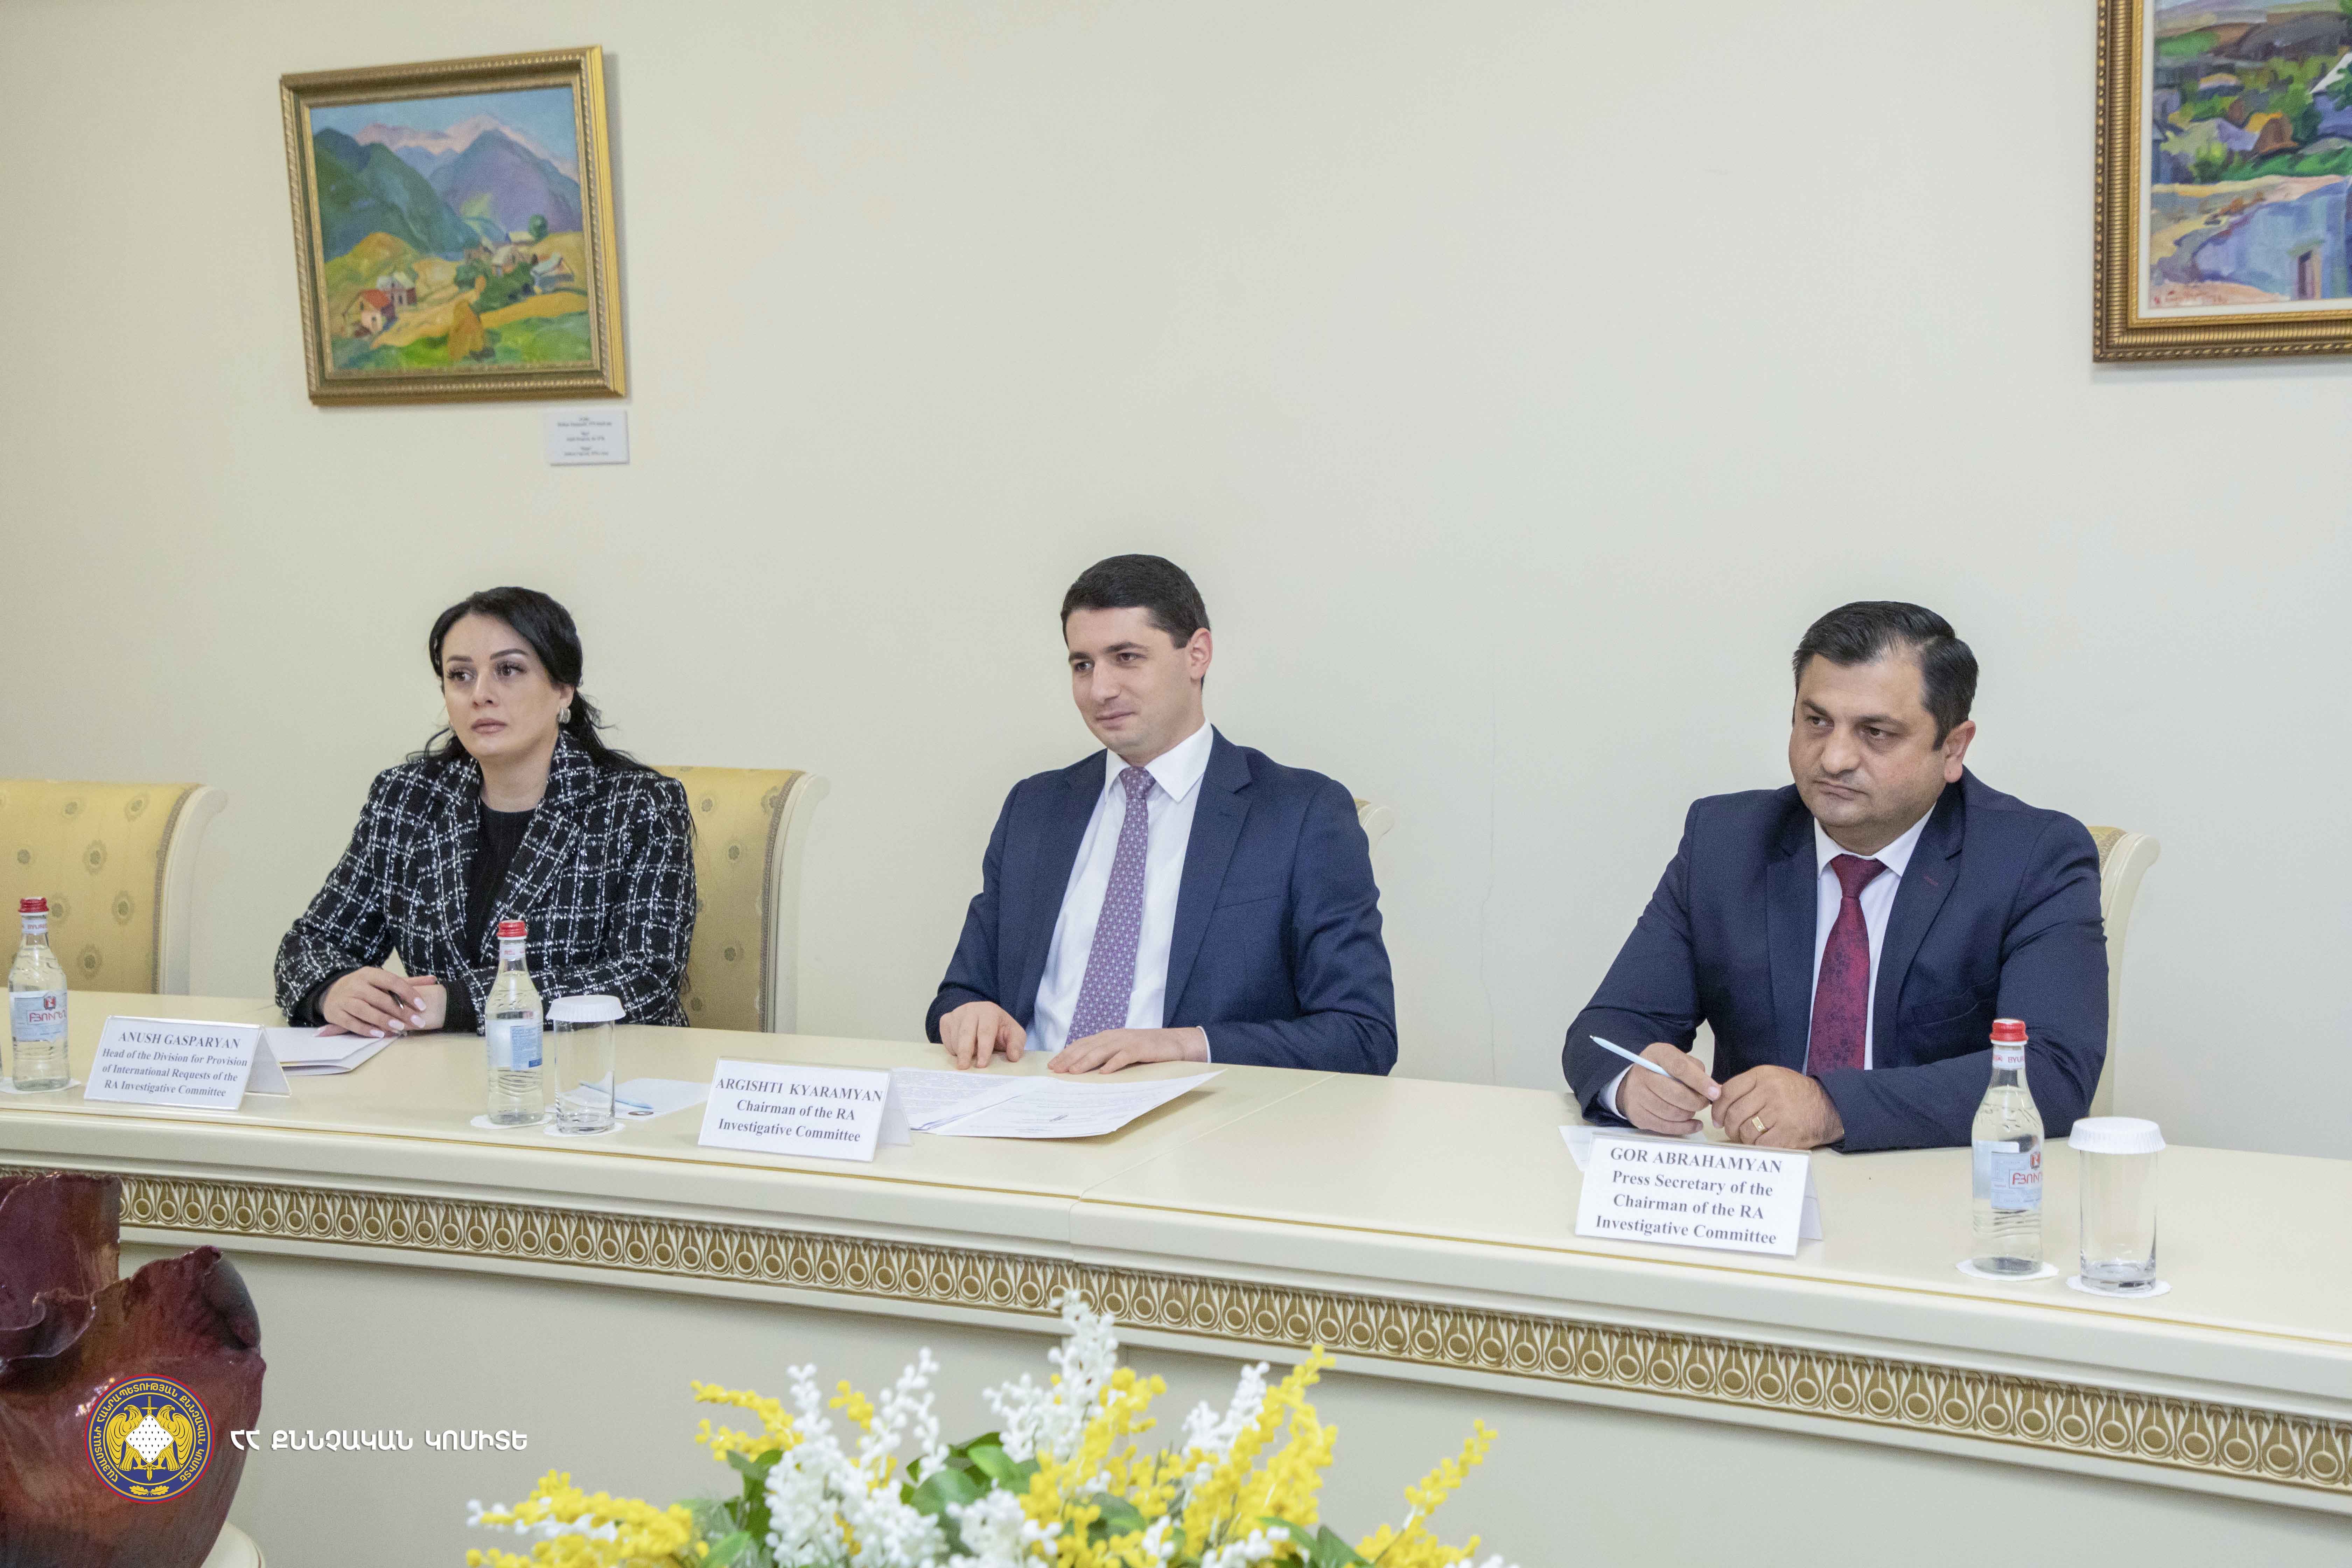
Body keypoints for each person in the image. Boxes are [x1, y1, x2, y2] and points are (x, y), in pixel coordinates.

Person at [1563, 602, 2107, 1152]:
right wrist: (1631, 1083)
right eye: (1817, 722)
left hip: (1935, 1182)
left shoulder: (2032, 858)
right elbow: (1608, 1028)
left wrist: (1831, 1107)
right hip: (1759, 1184)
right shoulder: (1727, 842)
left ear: (1952, 748)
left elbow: (2054, 1074)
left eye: (1876, 732)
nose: (1834, 759)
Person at [929, 554, 1395, 1075]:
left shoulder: (1301, 813)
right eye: (1083, 665)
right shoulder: (1035, 808)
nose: (1100, 689)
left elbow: (1363, 1036)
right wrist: (967, 1013)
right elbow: (962, 992)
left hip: (1201, 1116)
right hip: (1025, 1103)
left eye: (1126, 657)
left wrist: (1185, 1046)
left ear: (1197, 655)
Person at [275, 587, 696, 1038]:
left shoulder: (640, 805)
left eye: (508, 670)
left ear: (563, 689)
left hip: (594, 1071)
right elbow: (311, 944)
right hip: (437, 1071)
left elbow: (645, 980)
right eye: (460, 675)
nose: (480, 695)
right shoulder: (405, 800)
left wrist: (458, 1004)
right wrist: (333, 990)